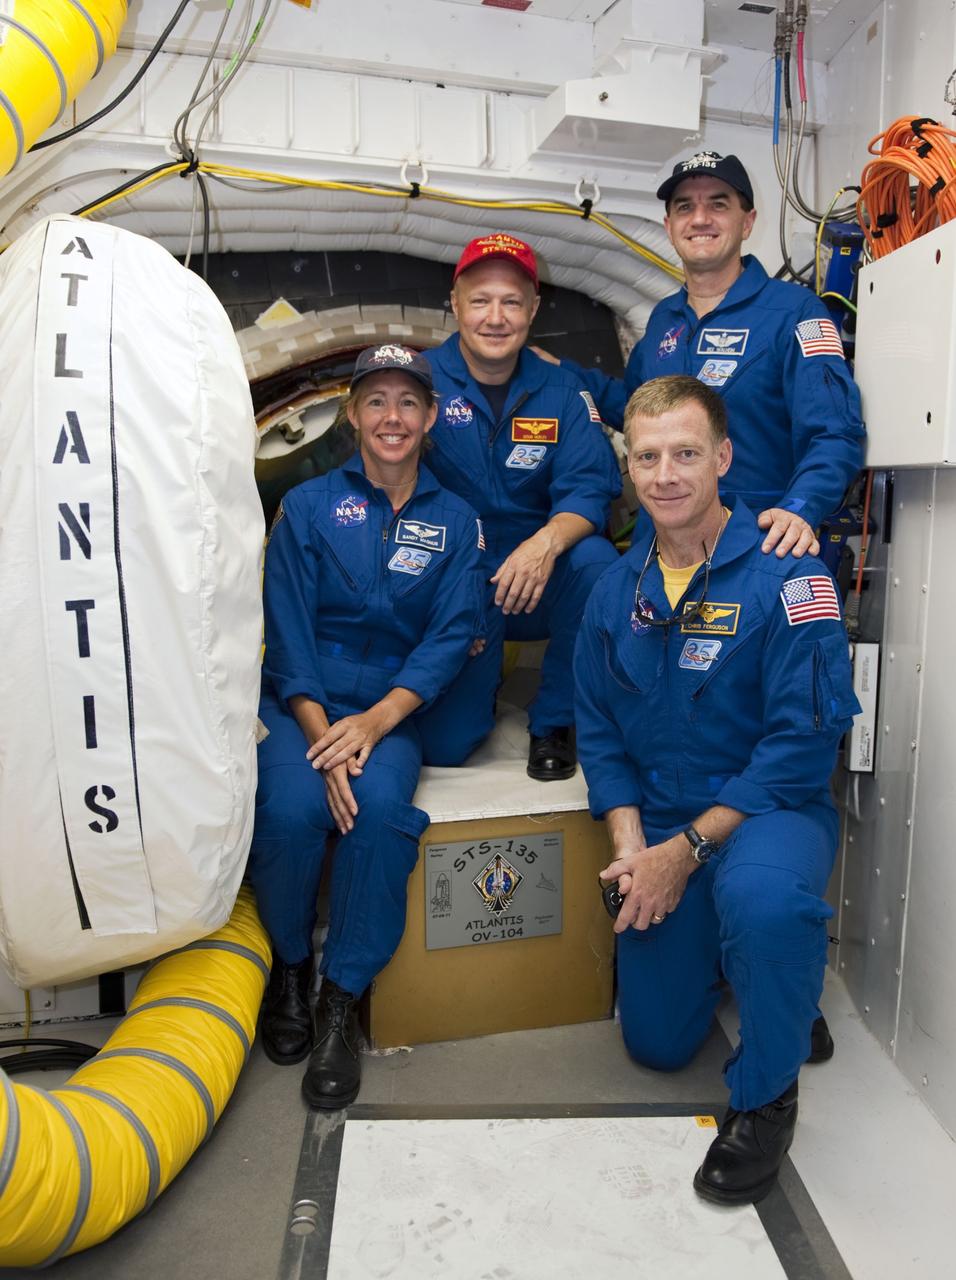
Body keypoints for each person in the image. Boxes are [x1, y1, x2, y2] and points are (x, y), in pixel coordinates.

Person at [573, 375, 860, 1203]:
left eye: (687, 454)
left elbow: (803, 746)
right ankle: (771, 981)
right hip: (660, 818)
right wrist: (632, 845)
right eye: (649, 456)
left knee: (765, 905)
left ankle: (766, 1097)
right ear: (631, 469)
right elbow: (598, 728)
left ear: (724, 458)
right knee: (659, 1045)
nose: (666, 475)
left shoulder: (788, 577)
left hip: (768, 808)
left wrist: (689, 851)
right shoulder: (611, 593)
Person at [248, 344, 485, 1110]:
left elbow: (450, 638)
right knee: (287, 811)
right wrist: (324, 740)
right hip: (300, 704)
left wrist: (374, 726)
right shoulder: (309, 508)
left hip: (393, 708)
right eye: (376, 401)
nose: (393, 417)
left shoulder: (456, 523)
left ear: (431, 417)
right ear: (352, 415)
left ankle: (339, 1002)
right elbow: (285, 631)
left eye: (408, 402)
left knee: (379, 815)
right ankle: (288, 968)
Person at [542, 151, 865, 561]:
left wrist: (798, 509)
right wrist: (561, 372)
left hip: (755, 542)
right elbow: (633, 405)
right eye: (685, 207)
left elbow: (834, 432)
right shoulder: (664, 319)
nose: (700, 218)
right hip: (659, 545)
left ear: (747, 222)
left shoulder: (795, 313)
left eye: (718, 203)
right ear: (670, 227)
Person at [422, 232, 622, 781]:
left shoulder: (561, 391)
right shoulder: (419, 383)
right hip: (454, 583)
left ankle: (554, 719)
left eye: (511, 302)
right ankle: (467, 690)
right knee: (446, 744)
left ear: (532, 310)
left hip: (538, 580)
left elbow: (591, 487)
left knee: (598, 564)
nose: (495, 317)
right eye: (480, 300)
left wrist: (544, 544)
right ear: (455, 304)